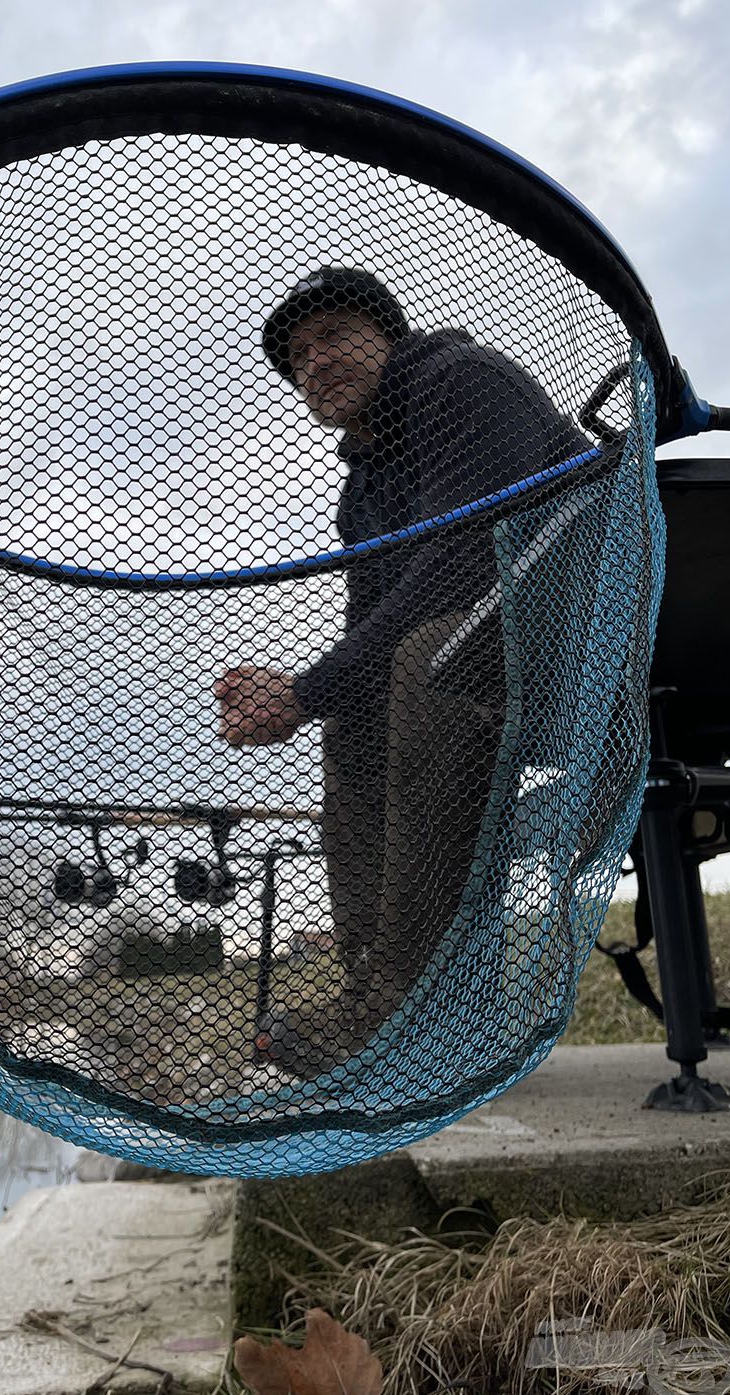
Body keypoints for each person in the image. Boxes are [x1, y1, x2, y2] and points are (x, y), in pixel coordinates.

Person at [214, 267, 593, 1079]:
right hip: (481, 670)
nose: (316, 360)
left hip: (586, 651)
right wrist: (307, 699)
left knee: (429, 662)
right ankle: (382, 992)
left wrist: (304, 690)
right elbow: (368, 633)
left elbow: (465, 562)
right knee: (359, 715)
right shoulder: (360, 488)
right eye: (299, 355)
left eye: (338, 334)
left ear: (389, 336)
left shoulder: (458, 382)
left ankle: (409, 1008)